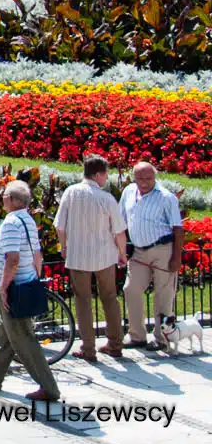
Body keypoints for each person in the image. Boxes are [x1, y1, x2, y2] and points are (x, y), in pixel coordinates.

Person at [0, 180, 60, 402]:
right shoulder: (27, 220)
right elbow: (37, 255)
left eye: (5, 195)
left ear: (13, 200)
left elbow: (13, 259)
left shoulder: (11, 223)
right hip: (21, 282)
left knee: (22, 338)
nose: (3, 198)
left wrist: (5, 287)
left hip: (11, 287)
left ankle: (49, 388)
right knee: (5, 335)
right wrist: (32, 276)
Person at [54, 154, 127, 361]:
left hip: (78, 255)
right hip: (105, 255)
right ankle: (115, 344)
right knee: (110, 298)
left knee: (83, 301)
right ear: (97, 174)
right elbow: (119, 232)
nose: (106, 178)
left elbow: (60, 225)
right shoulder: (106, 198)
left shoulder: (71, 192)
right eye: (105, 174)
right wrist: (122, 254)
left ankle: (88, 348)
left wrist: (64, 246)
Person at [121, 161, 184, 348]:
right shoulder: (128, 192)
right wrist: (122, 249)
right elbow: (121, 222)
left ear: (155, 177)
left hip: (162, 249)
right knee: (130, 289)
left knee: (163, 294)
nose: (144, 182)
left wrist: (176, 258)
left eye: (148, 178)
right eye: (140, 178)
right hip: (138, 251)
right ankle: (137, 336)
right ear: (134, 177)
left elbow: (178, 229)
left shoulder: (166, 197)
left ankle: (161, 338)